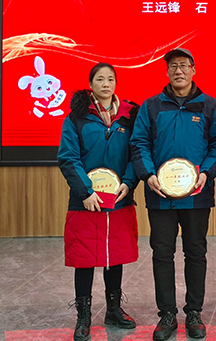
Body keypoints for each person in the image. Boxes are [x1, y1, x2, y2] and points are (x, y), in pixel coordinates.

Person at [131, 48, 216, 340]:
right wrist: (148, 175)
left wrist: (206, 173)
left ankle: (194, 312)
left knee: (195, 252)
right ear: (167, 71)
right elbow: (138, 143)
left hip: (197, 195)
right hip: (159, 195)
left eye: (184, 65)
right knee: (162, 253)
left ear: (193, 70)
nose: (178, 71)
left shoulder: (210, 105)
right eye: (173, 66)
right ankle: (167, 314)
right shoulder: (151, 106)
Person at [58, 62, 139, 341]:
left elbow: (136, 154)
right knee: (84, 257)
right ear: (91, 84)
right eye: (100, 79)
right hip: (86, 200)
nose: (106, 84)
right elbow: (68, 158)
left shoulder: (129, 117)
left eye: (111, 79)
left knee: (114, 254)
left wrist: (128, 182)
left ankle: (113, 309)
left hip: (119, 199)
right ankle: (83, 316)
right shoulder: (76, 118)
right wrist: (86, 192)